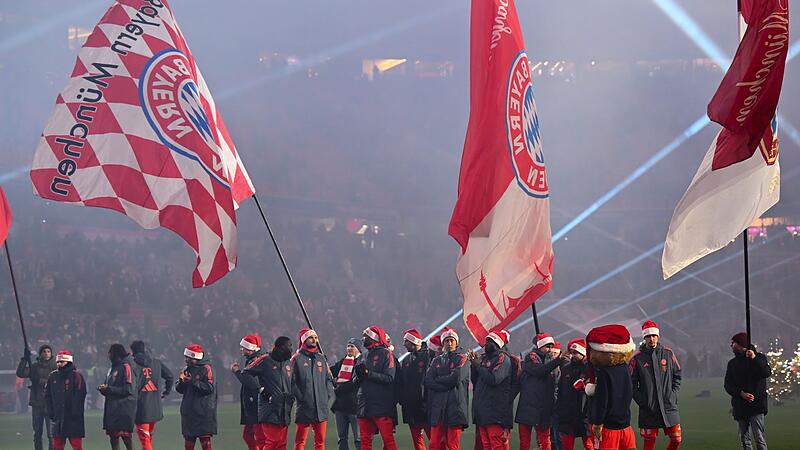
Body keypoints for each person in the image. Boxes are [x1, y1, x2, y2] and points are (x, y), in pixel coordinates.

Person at [630, 321, 682, 450]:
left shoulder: (668, 354)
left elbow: (677, 375)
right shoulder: (637, 358)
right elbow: (631, 384)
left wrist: (673, 395)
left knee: (676, 440)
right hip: (648, 408)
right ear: (644, 338)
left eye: (654, 336)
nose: (651, 339)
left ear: (658, 336)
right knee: (649, 444)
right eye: (648, 336)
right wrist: (642, 401)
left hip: (668, 406)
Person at [585, 325, 636, 450]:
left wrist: (597, 423)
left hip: (609, 428)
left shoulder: (604, 372)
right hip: (625, 425)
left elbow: (602, 401)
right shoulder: (625, 367)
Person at [240, 336, 295, 450]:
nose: (290, 349)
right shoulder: (265, 359)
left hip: (284, 408)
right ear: (280, 348)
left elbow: (292, 382)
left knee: (281, 443)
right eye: (288, 347)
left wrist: (291, 397)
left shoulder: (288, 363)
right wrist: (261, 389)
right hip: (269, 407)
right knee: (272, 441)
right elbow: (246, 373)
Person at [516, 333, 566, 450]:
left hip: (544, 407)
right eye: (547, 346)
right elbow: (540, 371)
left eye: (550, 346)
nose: (549, 349)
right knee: (525, 441)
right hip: (528, 405)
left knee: (545, 441)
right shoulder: (530, 357)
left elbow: (555, 382)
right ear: (540, 346)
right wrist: (557, 361)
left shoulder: (552, 362)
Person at [724, 332, 771, 450]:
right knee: (744, 439)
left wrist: (754, 359)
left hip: (756, 405)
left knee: (759, 438)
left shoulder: (759, 358)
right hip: (740, 405)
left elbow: (766, 373)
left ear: (740, 344)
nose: (731, 345)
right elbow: (728, 385)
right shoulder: (732, 363)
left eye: (733, 343)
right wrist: (741, 393)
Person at [424, 327, 469, 450]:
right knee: (434, 444)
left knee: (452, 445)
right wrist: (447, 382)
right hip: (438, 408)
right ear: (442, 343)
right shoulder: (437, 360)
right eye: (446, 341)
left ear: (456, 342)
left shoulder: (462, 358)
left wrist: (438, 379)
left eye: (451, 340)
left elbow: (456, 378)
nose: (449, 343)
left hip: (455, 407)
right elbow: (428, 381)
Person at [470, 329, 513, 450]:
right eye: (486, 341)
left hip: (495, 411)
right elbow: (476, 380)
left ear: (497, 343)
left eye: (489, 341)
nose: (485, 344)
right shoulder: (485, 358)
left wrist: (478, 365)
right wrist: (474, 365)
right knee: (486, 445)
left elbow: (494, 379)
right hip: (483, 410)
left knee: (496, 445)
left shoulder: (503, 358)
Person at [356, 326, 398, 450]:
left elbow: (389, 378)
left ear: (374, 338)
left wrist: (368, 373)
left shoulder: (386, 353)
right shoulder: (362, 356)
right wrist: (358, 376)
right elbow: (358, 380)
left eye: (366, 337)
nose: (363, 339)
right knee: (365, 441)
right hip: (364, 404)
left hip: (381, 405)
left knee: (388, 440)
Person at [291, 329, 334, 450]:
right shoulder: (296, 358)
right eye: (311, 338)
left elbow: (327, 379)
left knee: (320, 442)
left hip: (321, 407)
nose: (314, 340)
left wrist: (326, 396)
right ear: (304, 340)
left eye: (316, 337)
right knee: (300, 441)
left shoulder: (321, 358)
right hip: (304, 406)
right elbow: (291, 382)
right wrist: (301, 397)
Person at [131, 340, 174, 450]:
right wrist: (166, 391)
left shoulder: (132, 365)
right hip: (155, 408)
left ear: (133, 351)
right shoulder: (156, 362)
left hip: (141, 409)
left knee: (145, 440)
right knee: (148, 438)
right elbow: (170, 376)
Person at [176, 343, 217, 450]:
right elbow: (179, 390)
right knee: (189, 441)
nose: (186, 360)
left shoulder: (206, 368)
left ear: (195, 357)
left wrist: (192, 381)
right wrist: (181, 381)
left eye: (188, 357)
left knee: (205, 441)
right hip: (189, 411)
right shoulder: (186, 369)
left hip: (203, 411)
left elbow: (209, 388)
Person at [17, 344, 56, 450]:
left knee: (51, 434)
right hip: (37, 403)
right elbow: (20, 373)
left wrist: (42, 381)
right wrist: (24, 359)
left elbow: (57, 382)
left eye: (48, 351)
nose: (46, 353)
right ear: (40, 353)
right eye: (44, 351)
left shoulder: (55, 367)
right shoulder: (34, 366)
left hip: (50, 404)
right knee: (37, 433)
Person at [98, 344, 137, 450]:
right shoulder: (111, 369)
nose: (108, 355)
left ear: (116, 354)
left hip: (123, 409)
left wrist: (109, 389)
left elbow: (129, 389)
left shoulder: (126, 367)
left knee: (126, 439)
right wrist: (104, 390)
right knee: (113, 438)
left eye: (110, 353)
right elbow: (109, 387)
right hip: (112, 409)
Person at [45, 351, 86, 450]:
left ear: (68, 361)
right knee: (57, 447)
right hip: (57, 419)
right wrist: (51, 412)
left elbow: (81, 395)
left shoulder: (77, 376)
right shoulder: (52, 376)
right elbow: (47, 396)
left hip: (73, 419)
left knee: (77, 446)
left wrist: (75, 412)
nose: (59, 364)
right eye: (58, 361)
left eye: (62, 361)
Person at [556, 339, 592, 450]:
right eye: (571, 353)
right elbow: (561, 390)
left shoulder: (590, 368)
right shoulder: (566, 368)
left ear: (583, 353)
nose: (573, 355)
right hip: (568, 414)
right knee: (567, 445)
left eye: (575, 353)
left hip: (585, 413)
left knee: (589, 444)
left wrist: (586, 387)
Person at [398, 328, 431, 450]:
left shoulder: (428, 357)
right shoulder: (406, 359)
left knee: (435, 441)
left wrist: (426, 400)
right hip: (411, 408)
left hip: (425, 407)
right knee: (417, 442)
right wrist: (403, 400)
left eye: (406, 341)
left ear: (414, 342)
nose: (403, 344)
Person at [232, 334, 264, 450]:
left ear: (251, 348)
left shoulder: (256, 360)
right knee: (249, 434)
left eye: (244, 347)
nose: (241, 350)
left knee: (258, 436)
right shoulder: (253, 359)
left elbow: (251, 382)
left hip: (256, 404)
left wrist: (237, 372)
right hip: (253, 404)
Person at [331, 338, 364, 450]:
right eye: (348, 346)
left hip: (355, 406)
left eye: (352, 346)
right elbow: (331, 372)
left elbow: (357, 383)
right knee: (342, 439)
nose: (349, 348)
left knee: (359, 439)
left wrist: (339, 387)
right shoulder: (343, 361)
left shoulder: (362, 362)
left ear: (358, 348)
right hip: (340, 406)